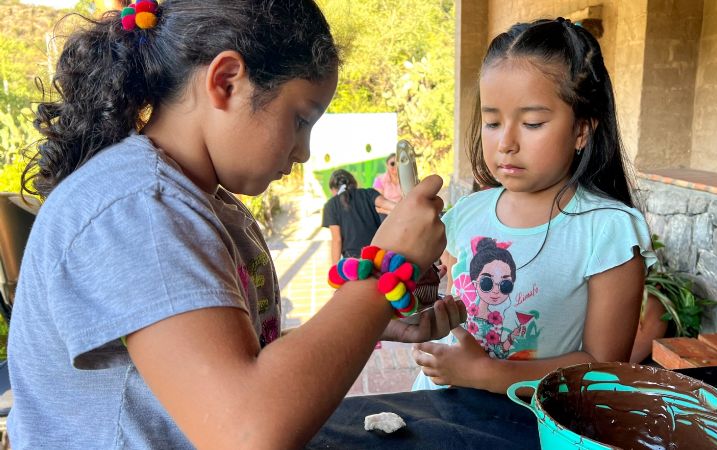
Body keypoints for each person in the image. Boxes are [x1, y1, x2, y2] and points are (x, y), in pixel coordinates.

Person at [7, 1, 466, 448]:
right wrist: (388, 270)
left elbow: (226, 358)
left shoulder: (198, 201)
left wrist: (370, 323)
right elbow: (246, 431)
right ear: (226, 82)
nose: (304, 151)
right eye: (301, 119)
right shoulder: (141, 208)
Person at [412, 18, 656, 394]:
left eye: (532, 122)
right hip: (441, 407)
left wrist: (484, 373)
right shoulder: (468, 212)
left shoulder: (606, 230)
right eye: (492, 122)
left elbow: (604, 367)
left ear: (581, 130)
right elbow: (437, 293)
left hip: (529, 425)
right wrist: (419, 298)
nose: (506, 142)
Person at [323, 169, 396, 263]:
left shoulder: (331, 205)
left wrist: (334, 268)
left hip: (353, 261)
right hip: (377, 255)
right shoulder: (369, 193)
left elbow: (337, 240)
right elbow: (388, 204)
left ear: (333, 190)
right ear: (354, 182)